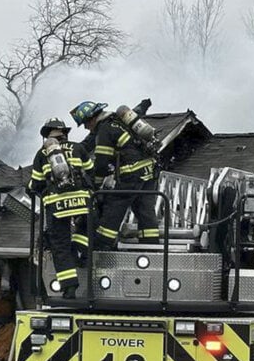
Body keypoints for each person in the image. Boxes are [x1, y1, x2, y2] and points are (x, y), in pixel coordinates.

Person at [69, 100, 159, 250]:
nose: (86, 127)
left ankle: (102, 246)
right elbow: (87, 144)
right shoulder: (117, 121)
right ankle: (151, 248)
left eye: (85, 123)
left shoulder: (104, 129)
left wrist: (96, 185)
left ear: (92, 119)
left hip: (131, 175)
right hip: (149, 172)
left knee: (113, 208)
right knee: (145, 211)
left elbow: (102, 163)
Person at [27, 117, 94, 298]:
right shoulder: (79, 148)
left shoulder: (42, 154)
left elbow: (36, 184)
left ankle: (69, 288)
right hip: (82, 202)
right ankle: (80, 250)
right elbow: (91, 171)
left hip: (57, 206)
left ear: (48, 134)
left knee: (60, 246)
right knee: (87, 228)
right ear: (64, 133)